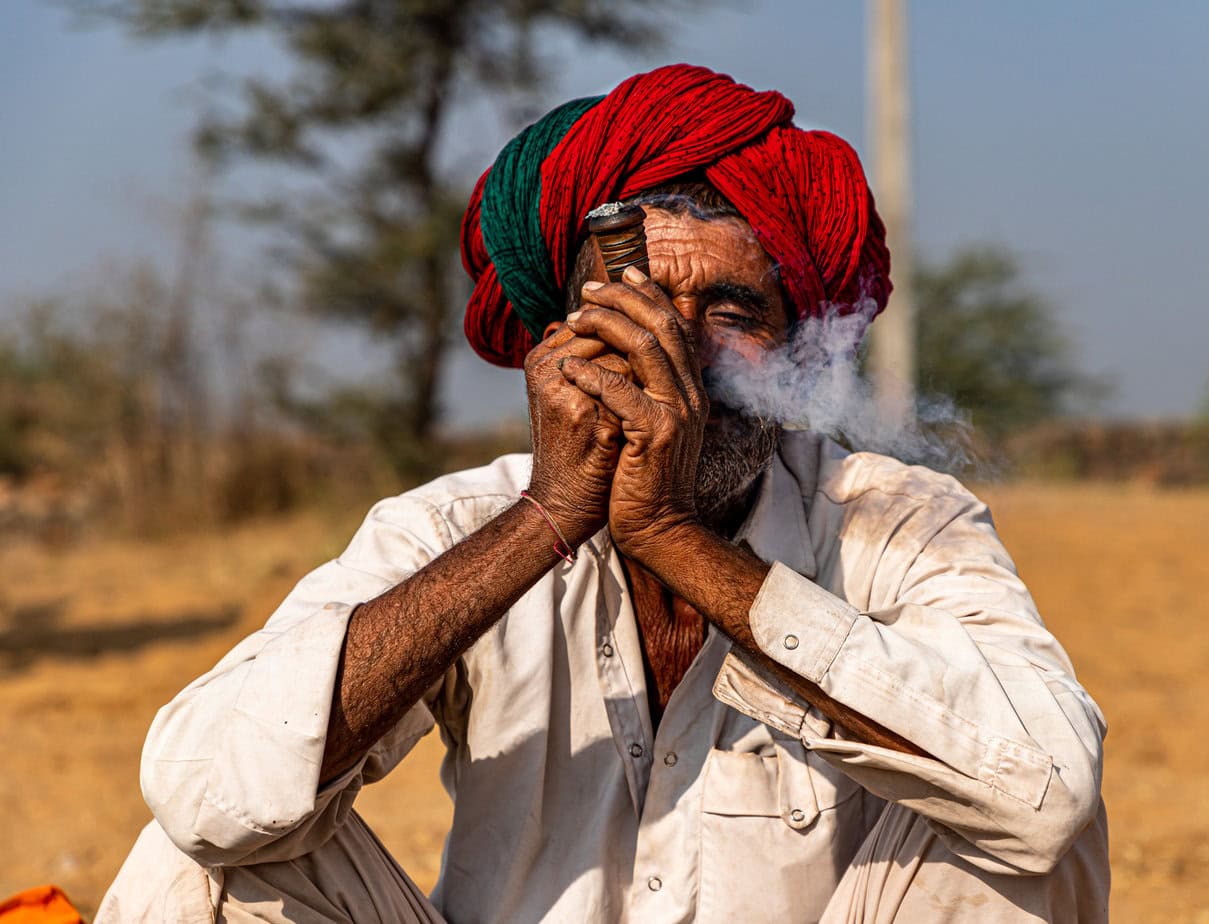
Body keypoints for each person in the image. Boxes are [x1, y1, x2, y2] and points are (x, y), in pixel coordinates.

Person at [98, 64, 1109, 923]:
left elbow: (1050, 790)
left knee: (1020, 825)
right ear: (553, 346)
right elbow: (205, 787)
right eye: (631, 313)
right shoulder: (459, 523)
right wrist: (544, 522)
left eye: (730, 313)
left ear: (800, 352)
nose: (672, 353)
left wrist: (675, 539)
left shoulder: (893, 519)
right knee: (212, 859)